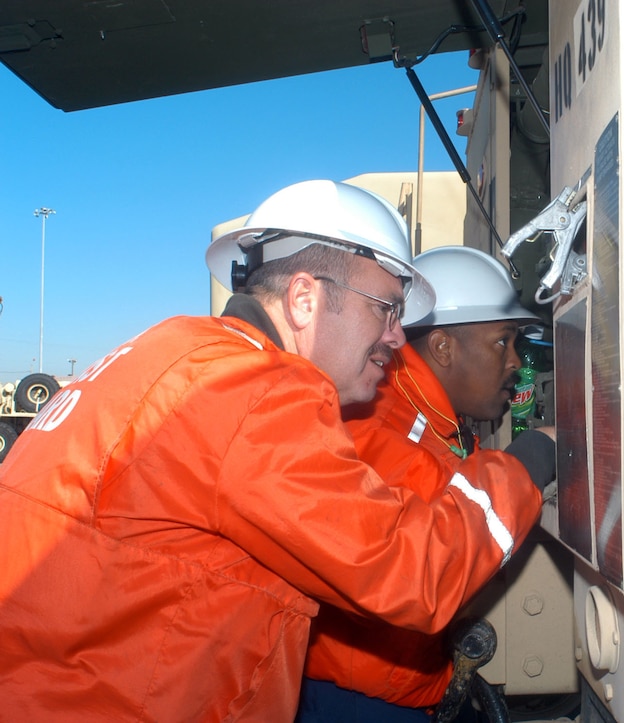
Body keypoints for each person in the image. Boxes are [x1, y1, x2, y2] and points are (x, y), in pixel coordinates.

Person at [0, 180, 552, 722]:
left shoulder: (174, 350)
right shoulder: (252, 391)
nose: (394, 337)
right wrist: (526, 467)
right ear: (304, 298)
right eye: (385, 309)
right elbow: (411, 573)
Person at [295, 246, 552, 722]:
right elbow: (442, 529)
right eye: (503, 341)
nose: (516, 361)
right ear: (442, 348)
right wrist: (538, 453)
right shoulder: (376, 423)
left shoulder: (429, 419)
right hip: (356, 705)